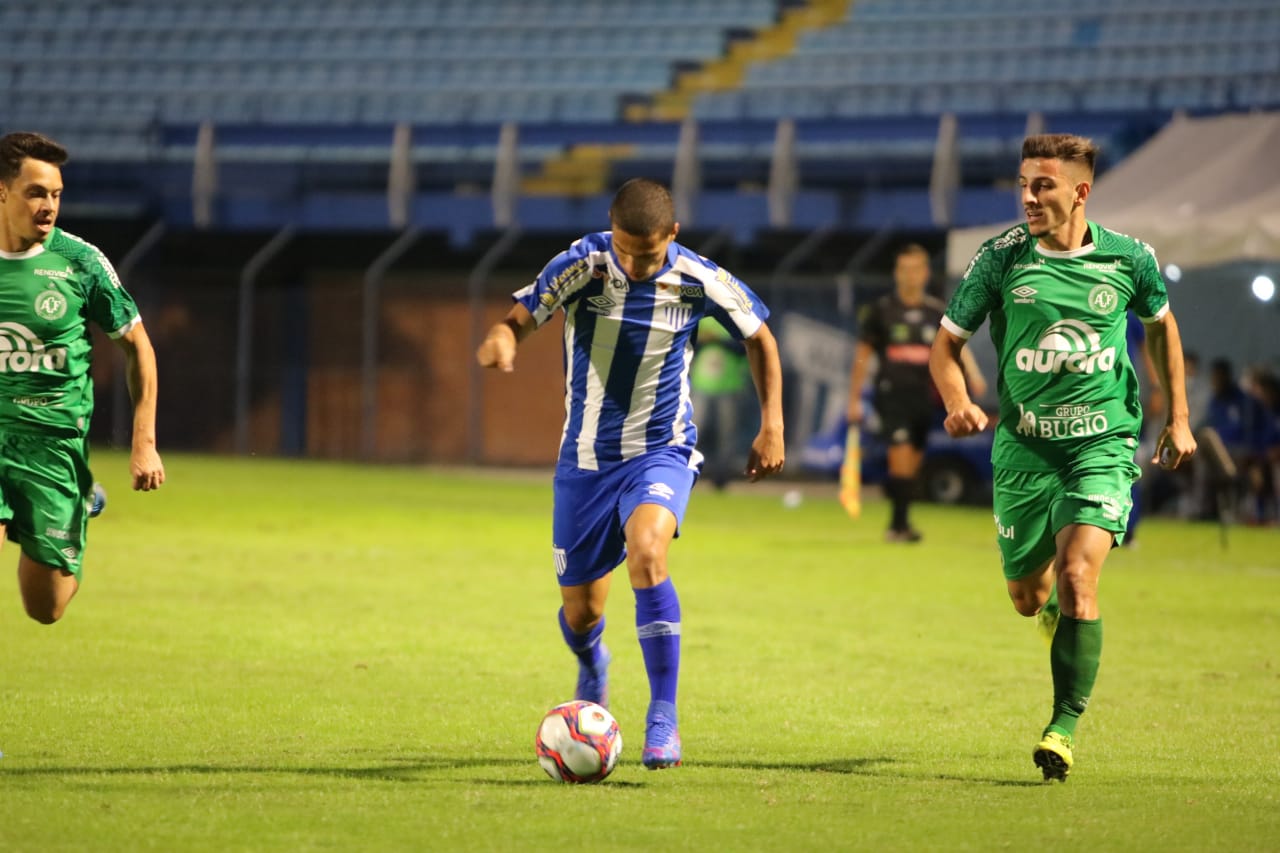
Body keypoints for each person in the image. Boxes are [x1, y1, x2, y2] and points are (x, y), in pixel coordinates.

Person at [476, 178, 785, 769]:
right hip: (585, 463)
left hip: (661, 451)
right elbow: (515, 321)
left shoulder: (698, 278)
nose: (632, 264)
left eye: (645, 254)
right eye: (623, 249)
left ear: (672, 235)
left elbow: (760, 337)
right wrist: (501, 340)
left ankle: (662, 717)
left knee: (648, 553)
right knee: (582, 613)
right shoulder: (582, 264)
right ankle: (593, 661)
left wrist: (772, 424)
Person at [929, 133, 1196, 782]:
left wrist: (1179, 417)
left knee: (1080, 575)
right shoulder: (1001, 258)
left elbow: (1162, 327)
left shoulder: (1129, 260)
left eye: (1042, 185)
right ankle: (1051, 614)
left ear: (1080, 192)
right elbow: (945, 345)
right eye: (1023, 183)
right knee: (1028, 595)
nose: (1028, 196)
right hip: (1023, 452)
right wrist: (959, 398)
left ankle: (1063, 726)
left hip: (1101, 447)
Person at [0, 132, 165, 630]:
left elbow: (138, 347)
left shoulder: (80, 262)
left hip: (51, 444)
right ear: (2, 192)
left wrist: (144, 444)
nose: (48, 205)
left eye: (55, 194)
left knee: (44, 607)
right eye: (35, 192)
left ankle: (76, 503)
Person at [846, 244, 986, 542]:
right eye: (904, 269)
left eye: (915, 269)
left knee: (912, 461)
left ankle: (902, 522)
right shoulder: (882, 310)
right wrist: (855, 399)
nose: (909, 276)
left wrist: (972, 375)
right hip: (891, 394)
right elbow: (862, 356)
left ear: (924, 274)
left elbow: (954, 344)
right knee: (900, 453)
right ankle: (897, 525)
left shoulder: (935, 310)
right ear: (897, 273)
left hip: (924, 396)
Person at [688, 315, 753, 489]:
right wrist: (705, 340)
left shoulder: (737, 318)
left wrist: (718, 339)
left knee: (727, 435)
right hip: (702, 382)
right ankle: (686, 472)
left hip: (730, 385)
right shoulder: (703, 318)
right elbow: (690, 345)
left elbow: (744, 348)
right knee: (693, 430)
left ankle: (721, 478)